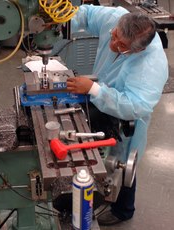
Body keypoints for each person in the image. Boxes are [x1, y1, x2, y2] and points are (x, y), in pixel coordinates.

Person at [66, 4, 168, 226]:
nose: (113, 45)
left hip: (126, 118)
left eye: (121, 45)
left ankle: (123, 210)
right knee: (96, 151)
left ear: (138, 50)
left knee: (123, 165)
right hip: (101, 95)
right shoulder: (116, 17)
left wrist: (93, 89)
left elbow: (135, 106)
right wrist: (60, 22)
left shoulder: (150, 66)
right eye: (114, 37)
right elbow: (85, 13)